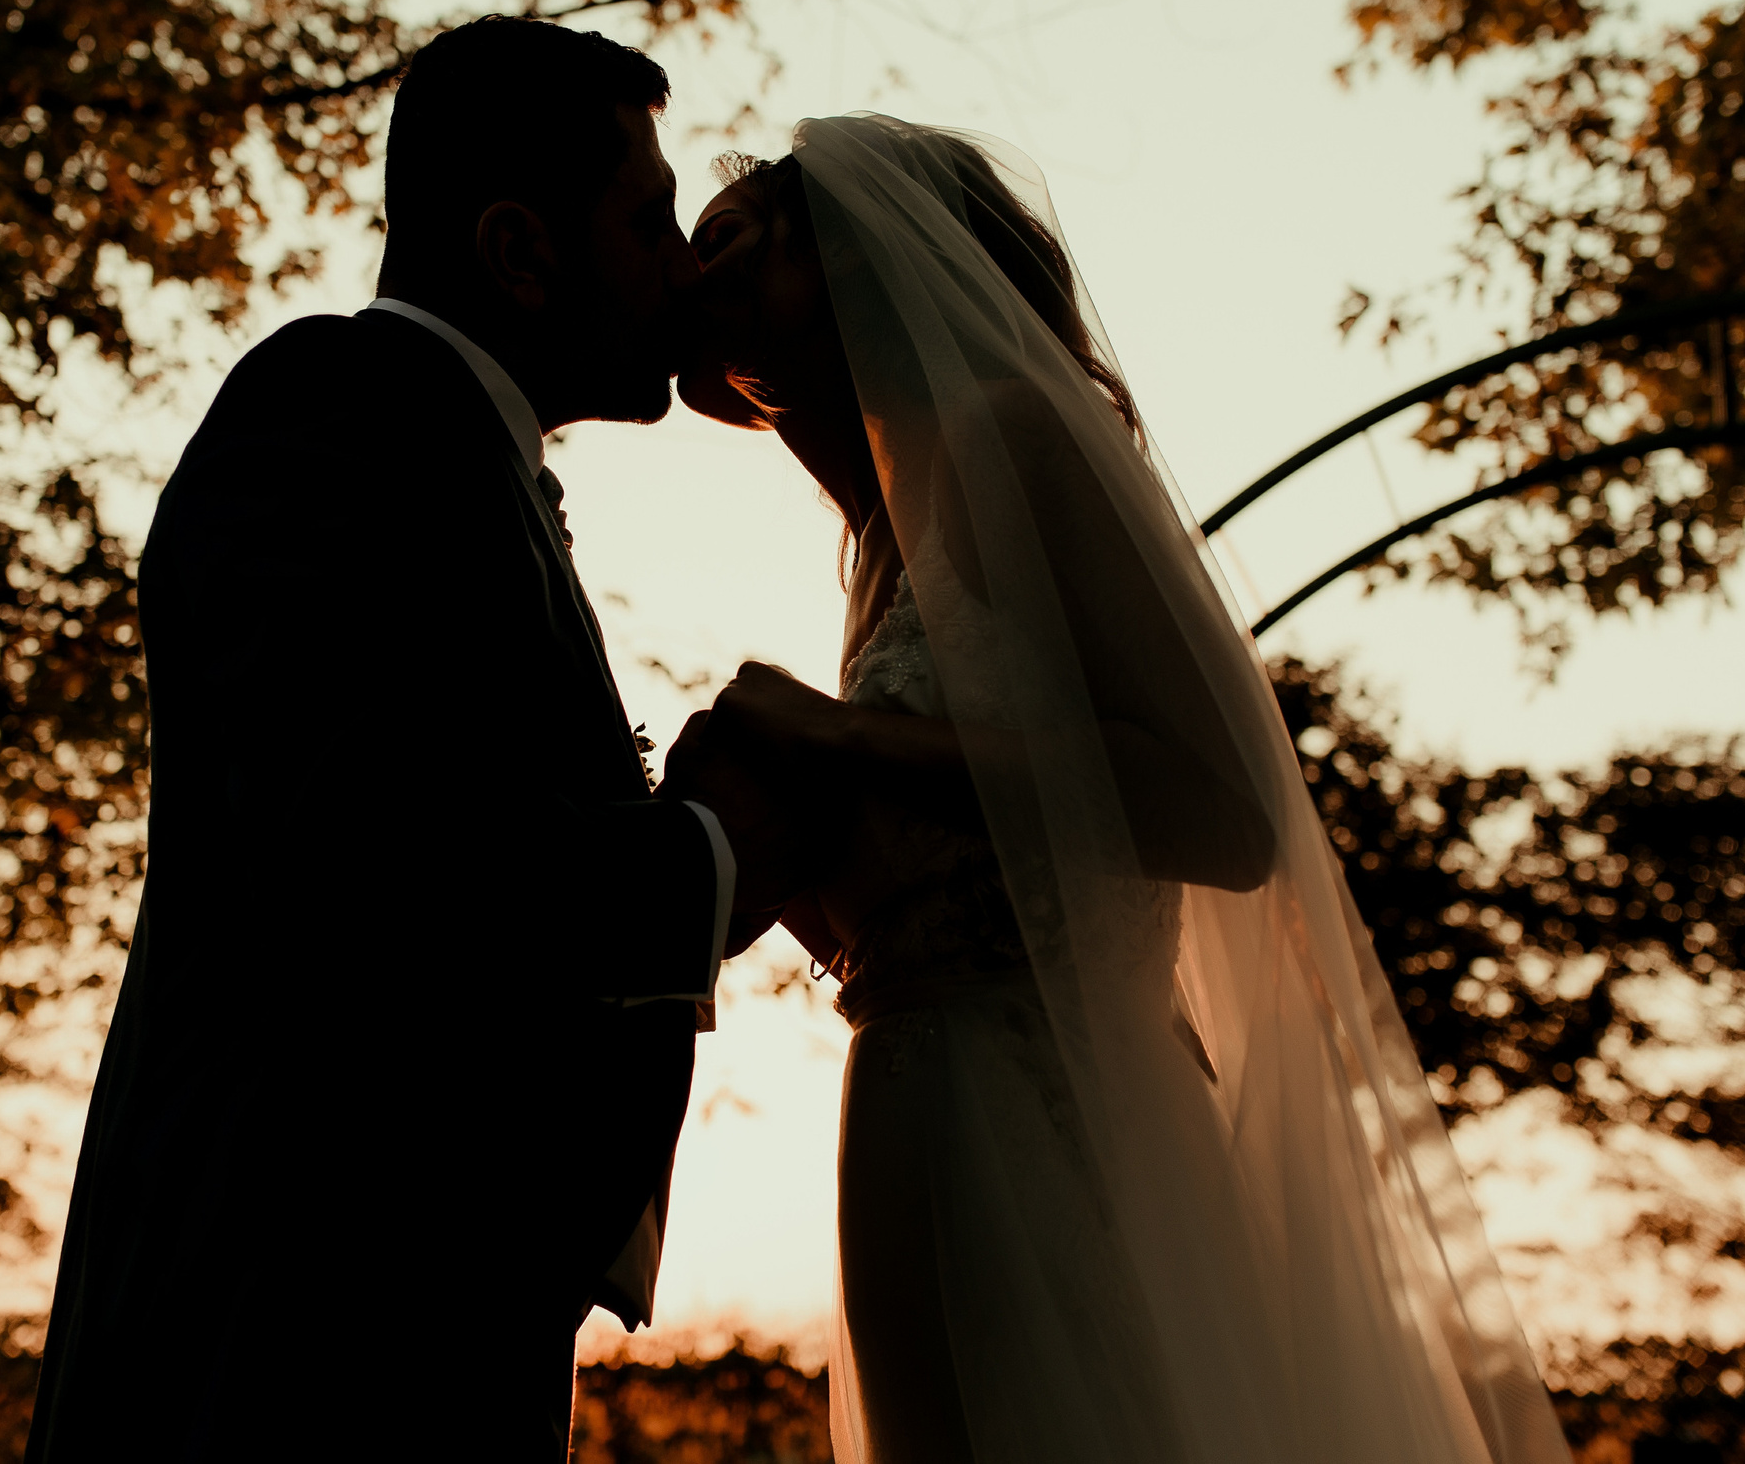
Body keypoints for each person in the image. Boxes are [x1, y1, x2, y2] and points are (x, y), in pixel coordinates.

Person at [672, 114, 1571, 1464]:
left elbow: (1221, 807)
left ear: (858, 264)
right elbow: (961, 896)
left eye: (731, 244)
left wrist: (844, 742)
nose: (693, 279)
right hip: (922, 1122)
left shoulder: (1012, 442)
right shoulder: (884, 540)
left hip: (1050, 1130)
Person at [24, 19, 797, 1461]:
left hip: (391, 1344)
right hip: (278, 1353)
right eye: (647, 224)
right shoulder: (329, 413)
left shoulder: (444, 450)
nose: (684, 268)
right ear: (519, 251)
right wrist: (706, 859)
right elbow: (373, 853)